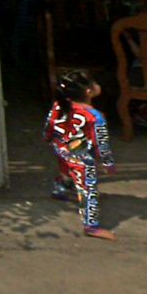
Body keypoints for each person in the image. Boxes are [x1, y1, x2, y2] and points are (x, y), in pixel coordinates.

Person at [43, 69, 116, 241]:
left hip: (61, 147)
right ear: (89, 91)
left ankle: (59, 190)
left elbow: (50, 123)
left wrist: (47, 137)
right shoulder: (95, 117)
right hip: (80, 157)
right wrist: (108, 163)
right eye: (94, 82)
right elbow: (101, 143)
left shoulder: (59, 105)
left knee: (65, 170)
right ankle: (91, 226)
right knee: (88, 190)